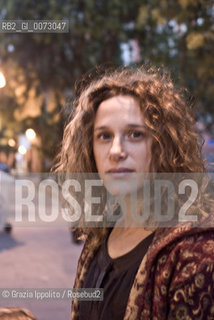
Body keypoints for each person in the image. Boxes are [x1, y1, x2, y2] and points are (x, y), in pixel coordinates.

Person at [55, 66, 214, 319]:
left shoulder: (195, 253)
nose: (116, 150)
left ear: (164, 146)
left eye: (135, 134)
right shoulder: (98, 239)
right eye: (104, 136)